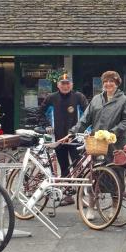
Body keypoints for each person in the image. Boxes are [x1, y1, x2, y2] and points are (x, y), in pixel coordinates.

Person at [69, 71, 126, 218]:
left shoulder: (123, 100)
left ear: (117, 83)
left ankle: (115, 207)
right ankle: (91, 206)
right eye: (106, 81)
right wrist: (73, 131)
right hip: (97, 143)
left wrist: (113, 132)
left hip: (115, 144)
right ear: (103, 83)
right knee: (95, 174)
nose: (108, 84)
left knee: (116, 173)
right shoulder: (96, 99)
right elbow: (85, 119)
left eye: (112, 81)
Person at [39, 73, 89, 205]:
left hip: (75, 139)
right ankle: (68, 195)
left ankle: (81, 196)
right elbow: (40, 113)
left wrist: (87, 131)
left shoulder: (79, 97)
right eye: (63, 83)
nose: (65, 86)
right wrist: (47, 125)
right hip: (59, 139)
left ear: (72, 84)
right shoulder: (51, 98)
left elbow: (88, 114)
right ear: (58, 85)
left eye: (68, 83)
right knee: (64, 167)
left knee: (79, 167)